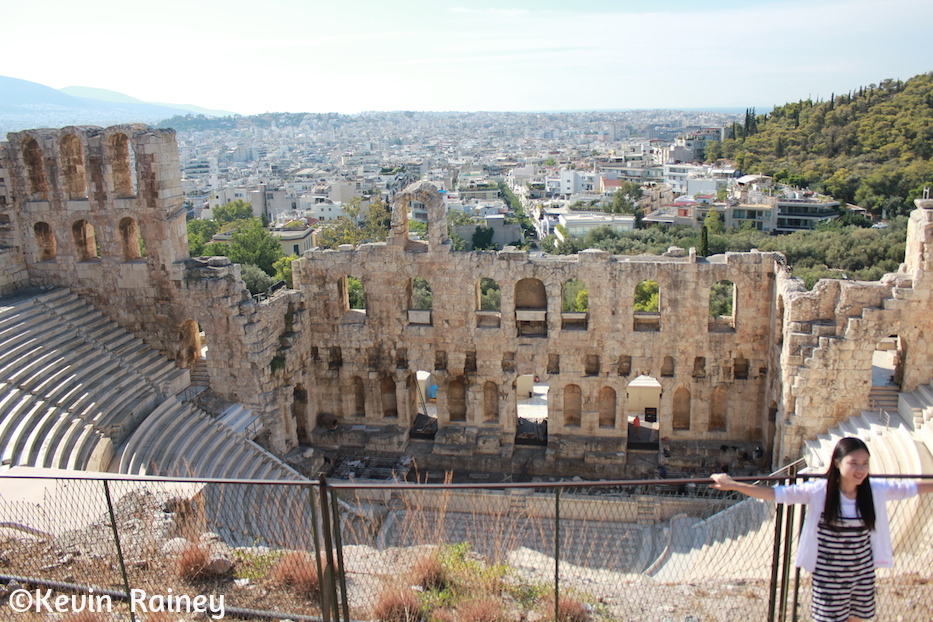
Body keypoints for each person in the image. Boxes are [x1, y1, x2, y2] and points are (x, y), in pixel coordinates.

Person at [711, 437, 933, 622]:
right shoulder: (820, 492)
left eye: (865, 463)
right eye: (854, 463)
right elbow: (776, 494)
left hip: (862, 574)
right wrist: (734, 485)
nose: (860, 469)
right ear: (837, 463)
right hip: (829, 577)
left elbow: (910, 488)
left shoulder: (874, 490)